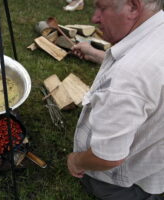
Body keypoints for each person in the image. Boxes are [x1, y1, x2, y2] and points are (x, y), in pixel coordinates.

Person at [67, 0, 164, 199]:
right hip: (154, 167)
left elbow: (107, 157)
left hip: (124, 184)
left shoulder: (128, 78)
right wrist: (95, 54)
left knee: (100, 179)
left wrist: (76, 160)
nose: (94, 18)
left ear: (133, 7)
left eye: (102, 8)